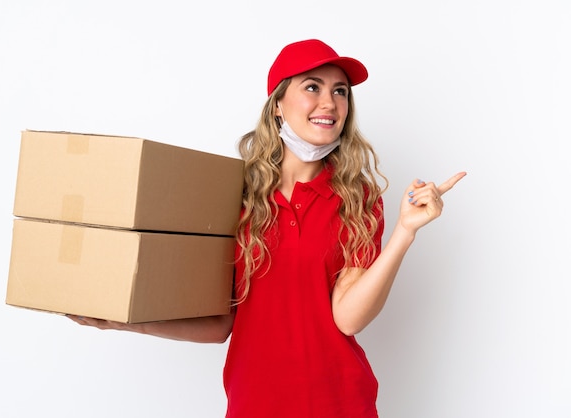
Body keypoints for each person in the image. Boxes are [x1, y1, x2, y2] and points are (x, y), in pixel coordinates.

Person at [69, 39, 466, 417]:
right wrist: (122, 320)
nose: (330, 102)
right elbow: (221, 323)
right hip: (254, 407)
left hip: (340, 406)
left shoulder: (358, 200)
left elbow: (347, 318)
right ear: (278, 104)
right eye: (313, 87)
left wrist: (404, 233)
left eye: (341, 91)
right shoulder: (231, 197)